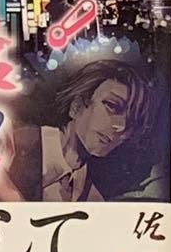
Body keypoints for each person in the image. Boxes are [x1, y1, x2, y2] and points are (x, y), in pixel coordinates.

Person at [37, 59, 155, 202]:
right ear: (77, 106)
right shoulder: (22, 144)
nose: (122, 127)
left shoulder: (91, 196)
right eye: (112, 106)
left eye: (132, 122)